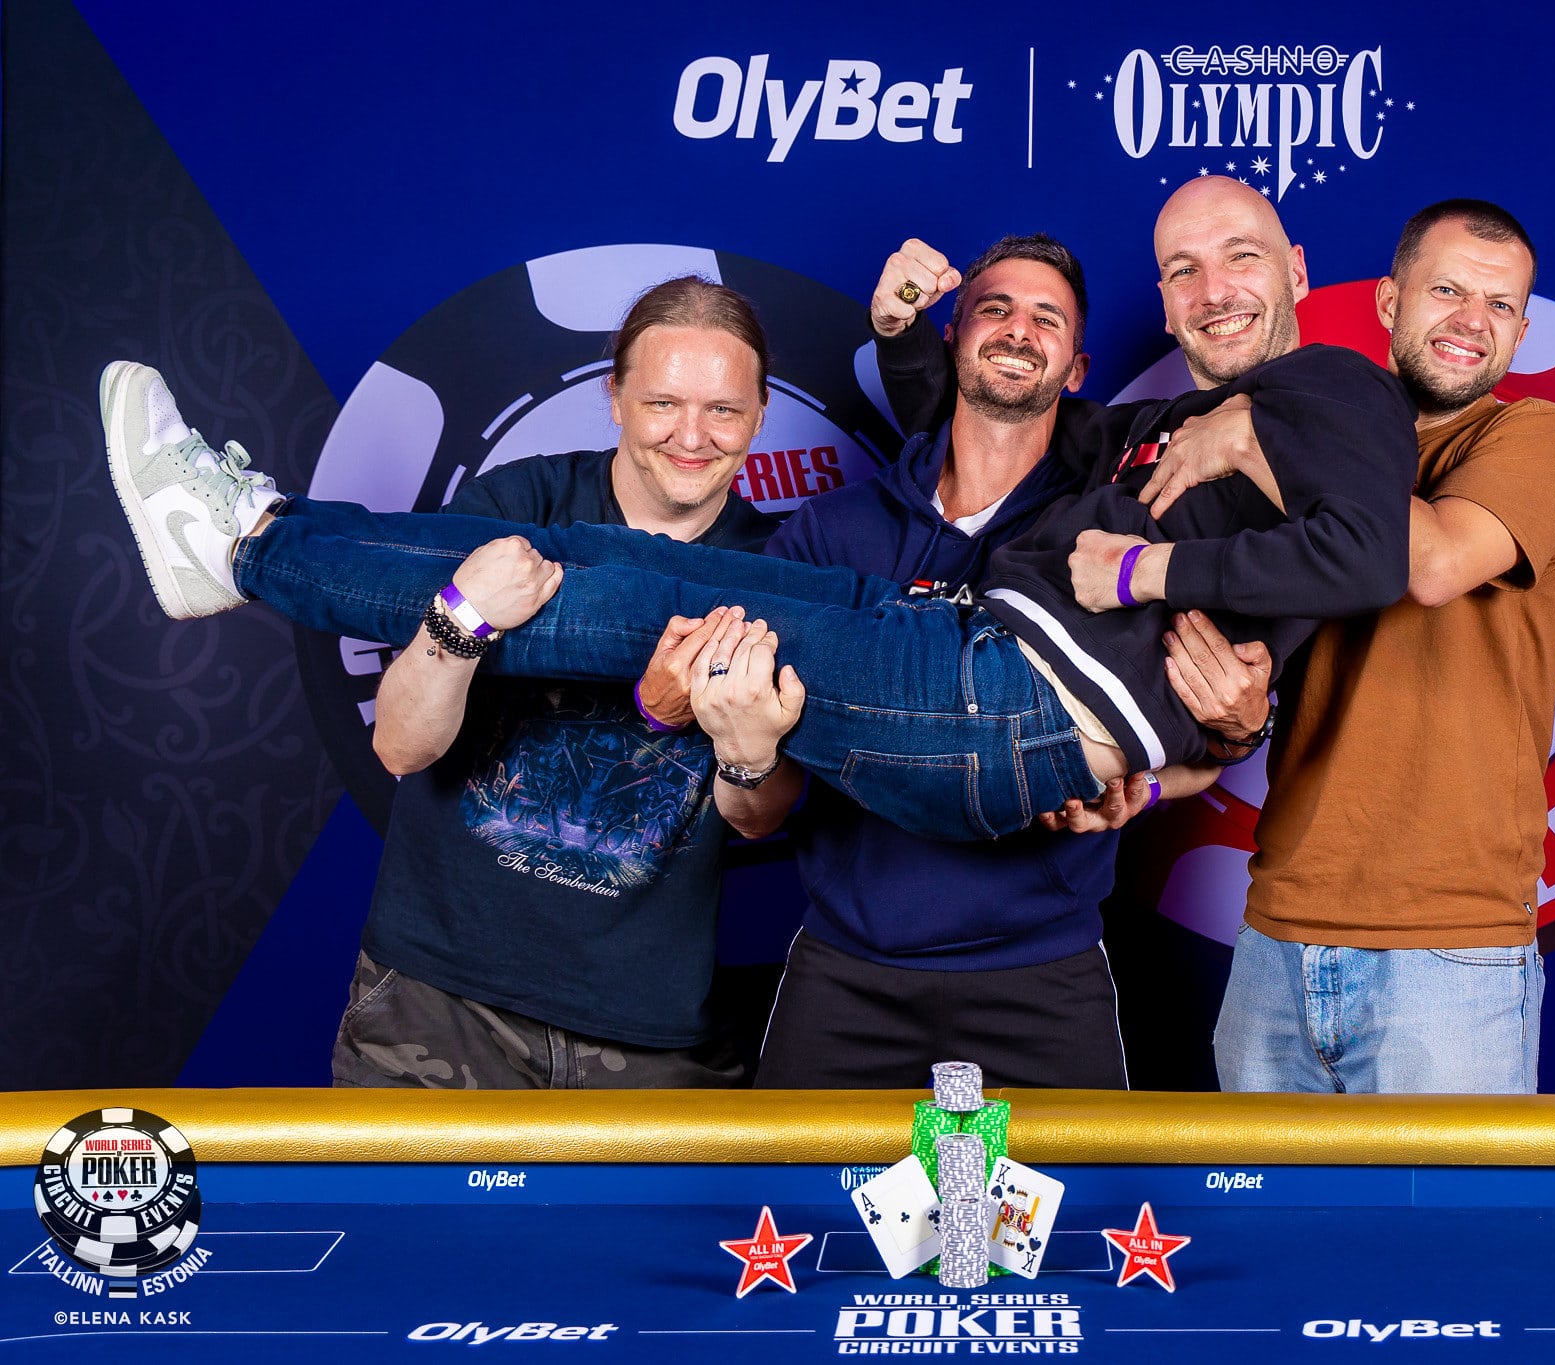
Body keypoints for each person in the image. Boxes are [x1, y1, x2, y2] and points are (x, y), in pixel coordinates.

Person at [97, 177, 1416, 849]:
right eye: (1182, 267)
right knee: (603, 559)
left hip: (1003, 706)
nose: (1211, 287)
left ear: (1300, 271)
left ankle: (243, 543)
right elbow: (996, 422)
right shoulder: (1161, 424)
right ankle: (248, 531)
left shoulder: (1334, 384)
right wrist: (907, 338)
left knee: (626, 594)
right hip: (959, 653)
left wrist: (1143, 579)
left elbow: (1370, 558)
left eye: (1241, 257)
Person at [634, 234, 1274, 1090]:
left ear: (1076, 369)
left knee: (1079, 1192)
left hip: (1043, 972)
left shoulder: (1112, 538)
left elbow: (1207, 722)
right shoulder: (832, 534)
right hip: (849, 968)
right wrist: (739, 750)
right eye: (995, 309)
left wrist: (1180, 766)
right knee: (800, 1190)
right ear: (951, 338)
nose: (1019, 331)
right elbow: (755, 812)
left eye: (1047, 319)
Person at [1145, 200, 1555, 1094]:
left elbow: (1429, 564)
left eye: (1501, 305)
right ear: (1389, 302)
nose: (1472, 322)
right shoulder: (1306, 441)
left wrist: (1255, 439)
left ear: (1522, 331)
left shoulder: (1536, 436)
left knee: (1444, 1202)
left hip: (1448, 949)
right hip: (1277, 929)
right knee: (1257, 1196)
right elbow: (1268, 675)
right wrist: (1236, 720)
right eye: (1448, 291)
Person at [290, 278, 786, 1087]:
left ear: (761, 413)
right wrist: (461, 617)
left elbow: (759, 819)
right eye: (662, 402)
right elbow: (402, 746)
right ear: (614, 397)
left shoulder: (778, 569)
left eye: (724, 409)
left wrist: (743, 746)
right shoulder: (517, 506)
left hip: (650, 1031)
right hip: (441, 1001)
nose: (692, 436)